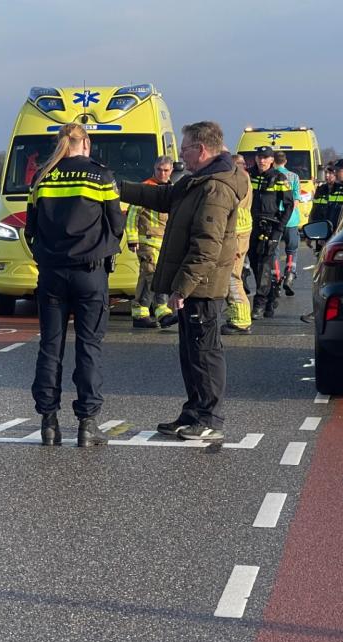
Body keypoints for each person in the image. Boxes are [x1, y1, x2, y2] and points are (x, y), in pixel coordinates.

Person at [120, 121, 246, 442]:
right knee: (190, 353)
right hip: (195, 285)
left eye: (185, 149)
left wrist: (183, 287)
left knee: (205, 352)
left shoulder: (215, 188)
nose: (180, 156)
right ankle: (193, 412)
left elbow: (207, 245)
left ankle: (209, 418)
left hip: (203, 287)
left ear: (201, 150)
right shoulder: (196, 181)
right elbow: (163, 197)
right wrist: (118, 187)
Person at [24, 123, 125, 447]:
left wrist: (46, 255)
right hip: (89, 273)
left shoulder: (42, 177)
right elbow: (117, 224)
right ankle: (87, 424)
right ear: (87, 143)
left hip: (52, 273)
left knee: (50, 346)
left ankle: (48, 423)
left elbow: (30, 229)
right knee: (89, 347)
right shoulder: (101, 176)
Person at [126, 156, 175, 328]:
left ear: (171, 171)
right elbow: (132, 215)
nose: (162, 173)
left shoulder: (172, 189)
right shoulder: (145, 188)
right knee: (152, 274)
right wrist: (132, 238)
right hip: (147, 241)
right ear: (154, 169)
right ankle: (159, 312)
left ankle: (143, 314)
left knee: (151, 276)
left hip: (165, 242)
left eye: (166, 170)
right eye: (159, 170)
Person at [247, 146, 293, 319]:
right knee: (254, 263)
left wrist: (279, 228)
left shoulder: (279, 177)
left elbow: (289, 205)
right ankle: (271, 296)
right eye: (259, 157)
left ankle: (259, 303)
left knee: (264, 265)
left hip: (270, 226)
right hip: (250, 225)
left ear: (272, 160)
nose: (262, 160)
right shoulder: (248, 175)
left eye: (266, 157)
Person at [223, 155, 255, 335]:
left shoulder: (238, 180)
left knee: (232, 277)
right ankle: (236, 316)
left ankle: (240, 320)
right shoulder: (245, 178)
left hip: (235, 233)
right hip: (240, 231)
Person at [272, 151, 304, 296]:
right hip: (291, 219)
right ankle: (289, 276)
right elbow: (296, 199)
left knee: (273, 250)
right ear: (285, 161)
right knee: (292, 250)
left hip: (275, 219)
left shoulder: (270, 175)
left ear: (273, 161)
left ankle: (276, 278)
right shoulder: (294, 176)